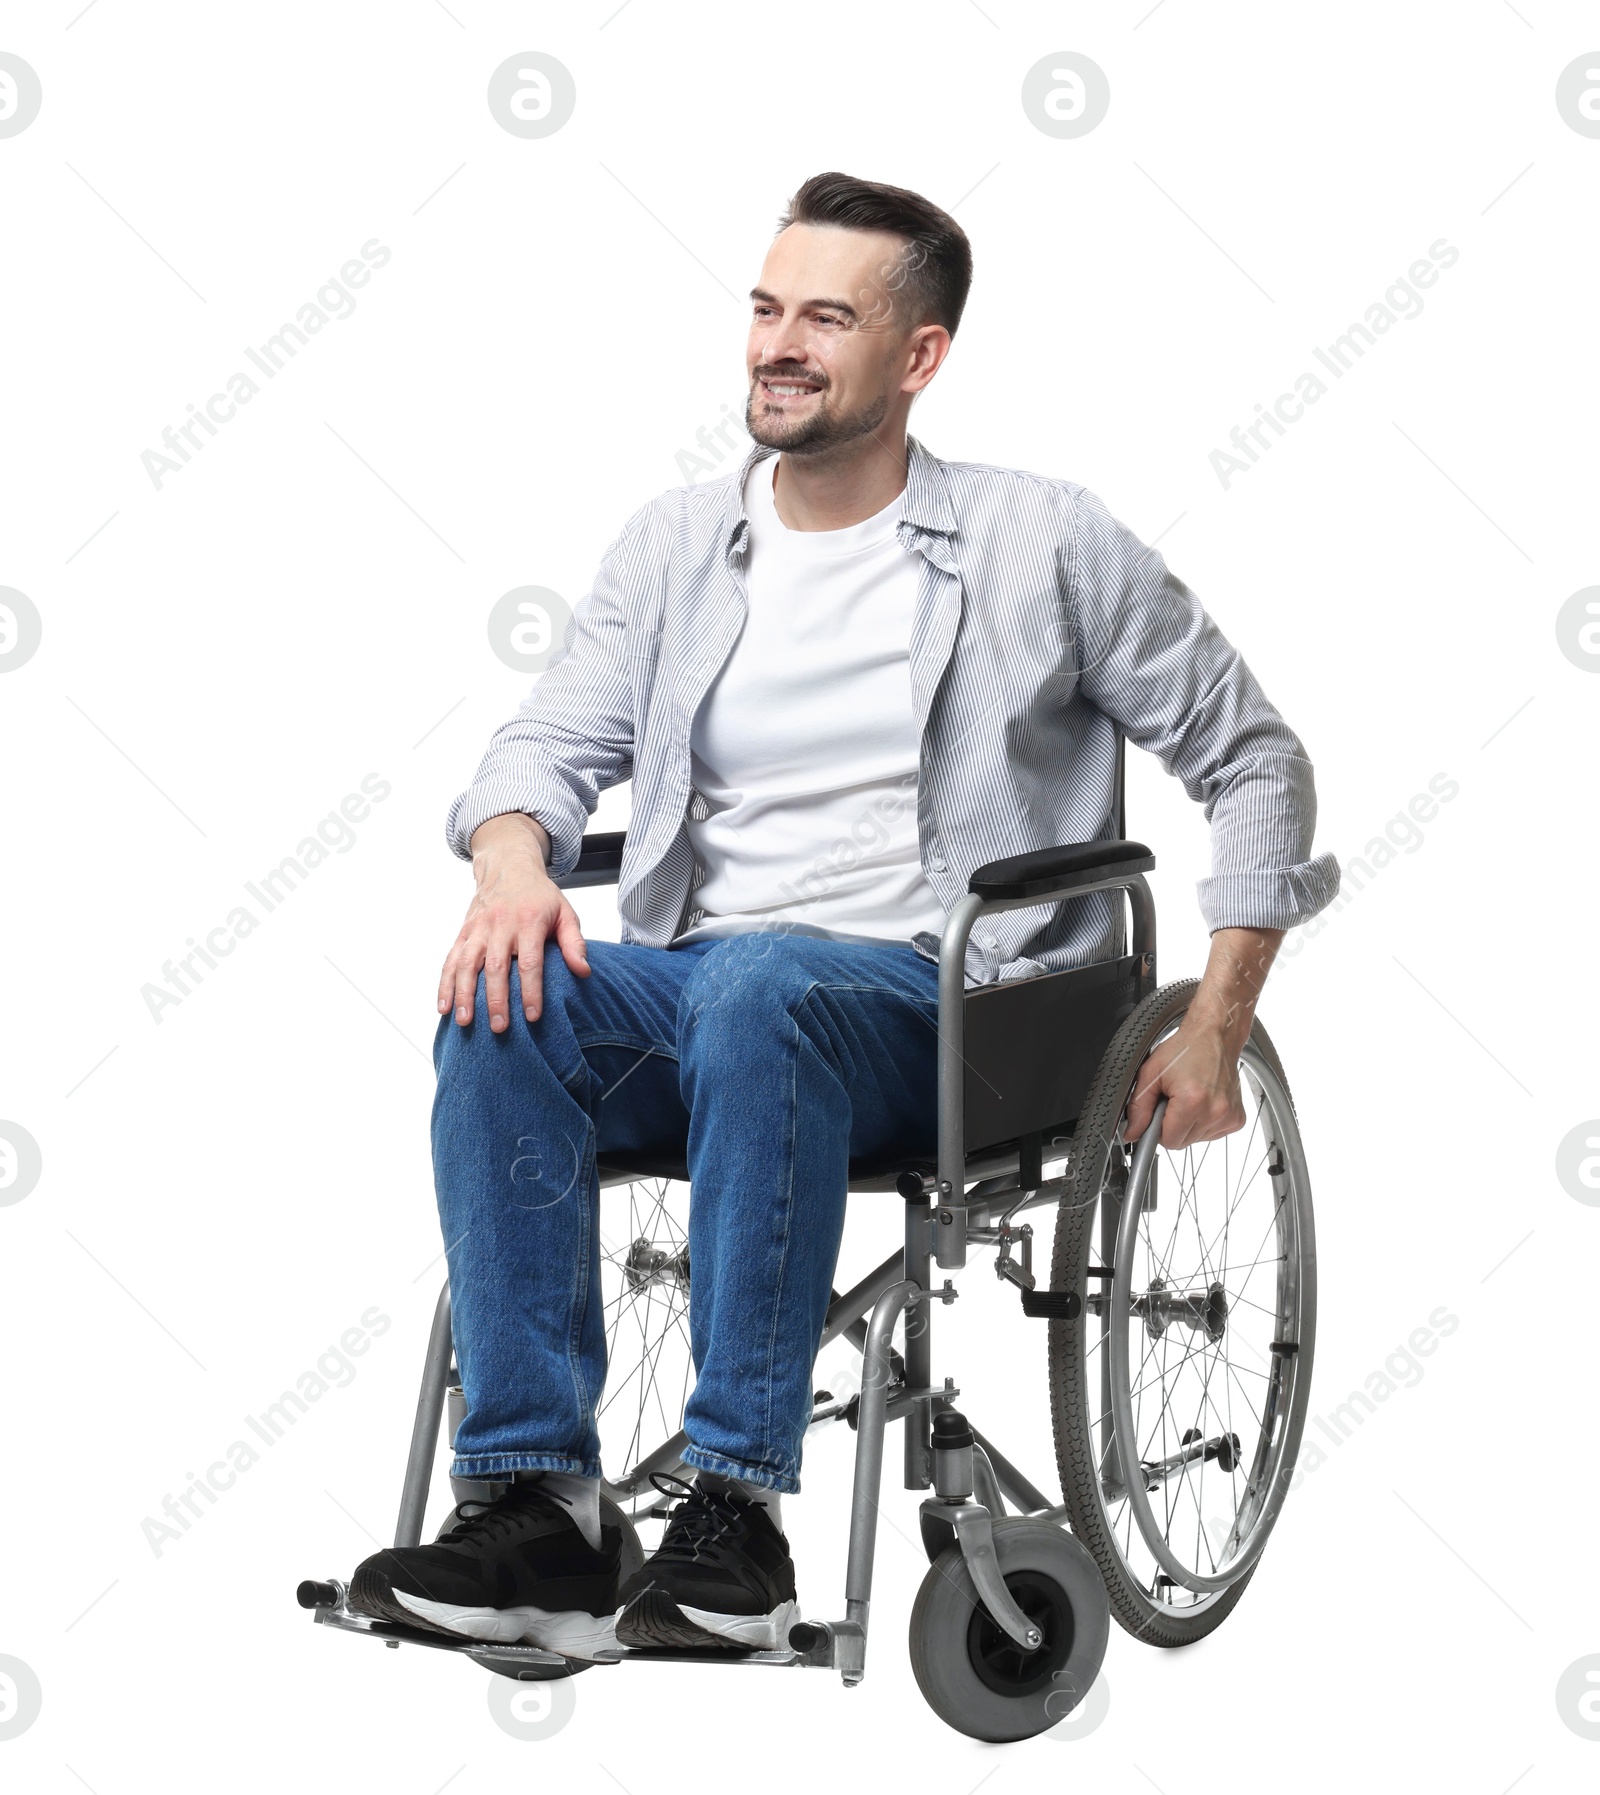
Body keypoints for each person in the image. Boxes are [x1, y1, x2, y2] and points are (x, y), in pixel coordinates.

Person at [349, 171, 1339, 1659]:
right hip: (713, 995)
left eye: (826, 316)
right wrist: (510, 868)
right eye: (764, 308)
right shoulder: (676, 545)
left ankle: (738, 1514)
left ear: (919, 356)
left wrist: (1218, 1017)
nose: (778, 345)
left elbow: (1256, 762)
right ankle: (539, 1499)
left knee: (763, 985)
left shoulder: (1044, 543)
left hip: (958, 1010)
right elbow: (543, 749)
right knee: (506, 999)